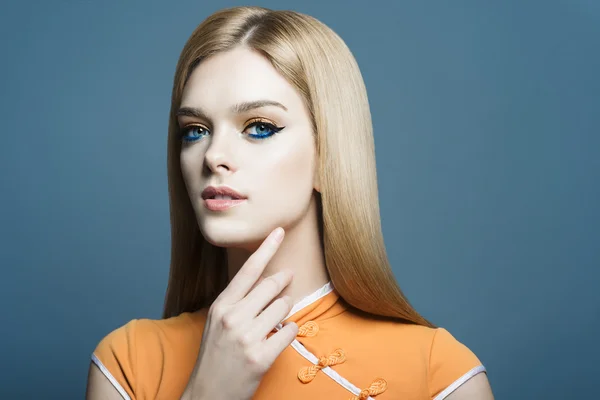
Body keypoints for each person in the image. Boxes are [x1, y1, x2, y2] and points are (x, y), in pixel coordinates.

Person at [86, 6, 494, 400]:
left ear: (328, 157)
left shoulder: (439, 373)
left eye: (259, 127)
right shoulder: (129, 362)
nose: (213, 156)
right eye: (195, 130)